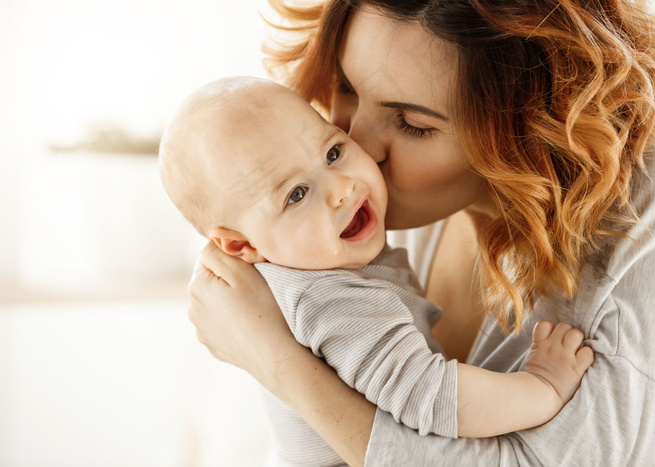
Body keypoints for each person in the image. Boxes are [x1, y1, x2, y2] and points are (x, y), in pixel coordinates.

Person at [186, 0, 655, 465]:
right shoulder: (354, 219)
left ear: (524, 126)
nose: (354, 147)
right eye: (346, 86)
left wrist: (274, 361)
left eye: (410, 122)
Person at [159, 76, 593, 466]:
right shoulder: (327, 299)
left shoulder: (322, 262)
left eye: (332, 152)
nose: (341, 187)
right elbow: (433, 397)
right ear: (242, 245)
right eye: (296, 195)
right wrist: (543, 387)